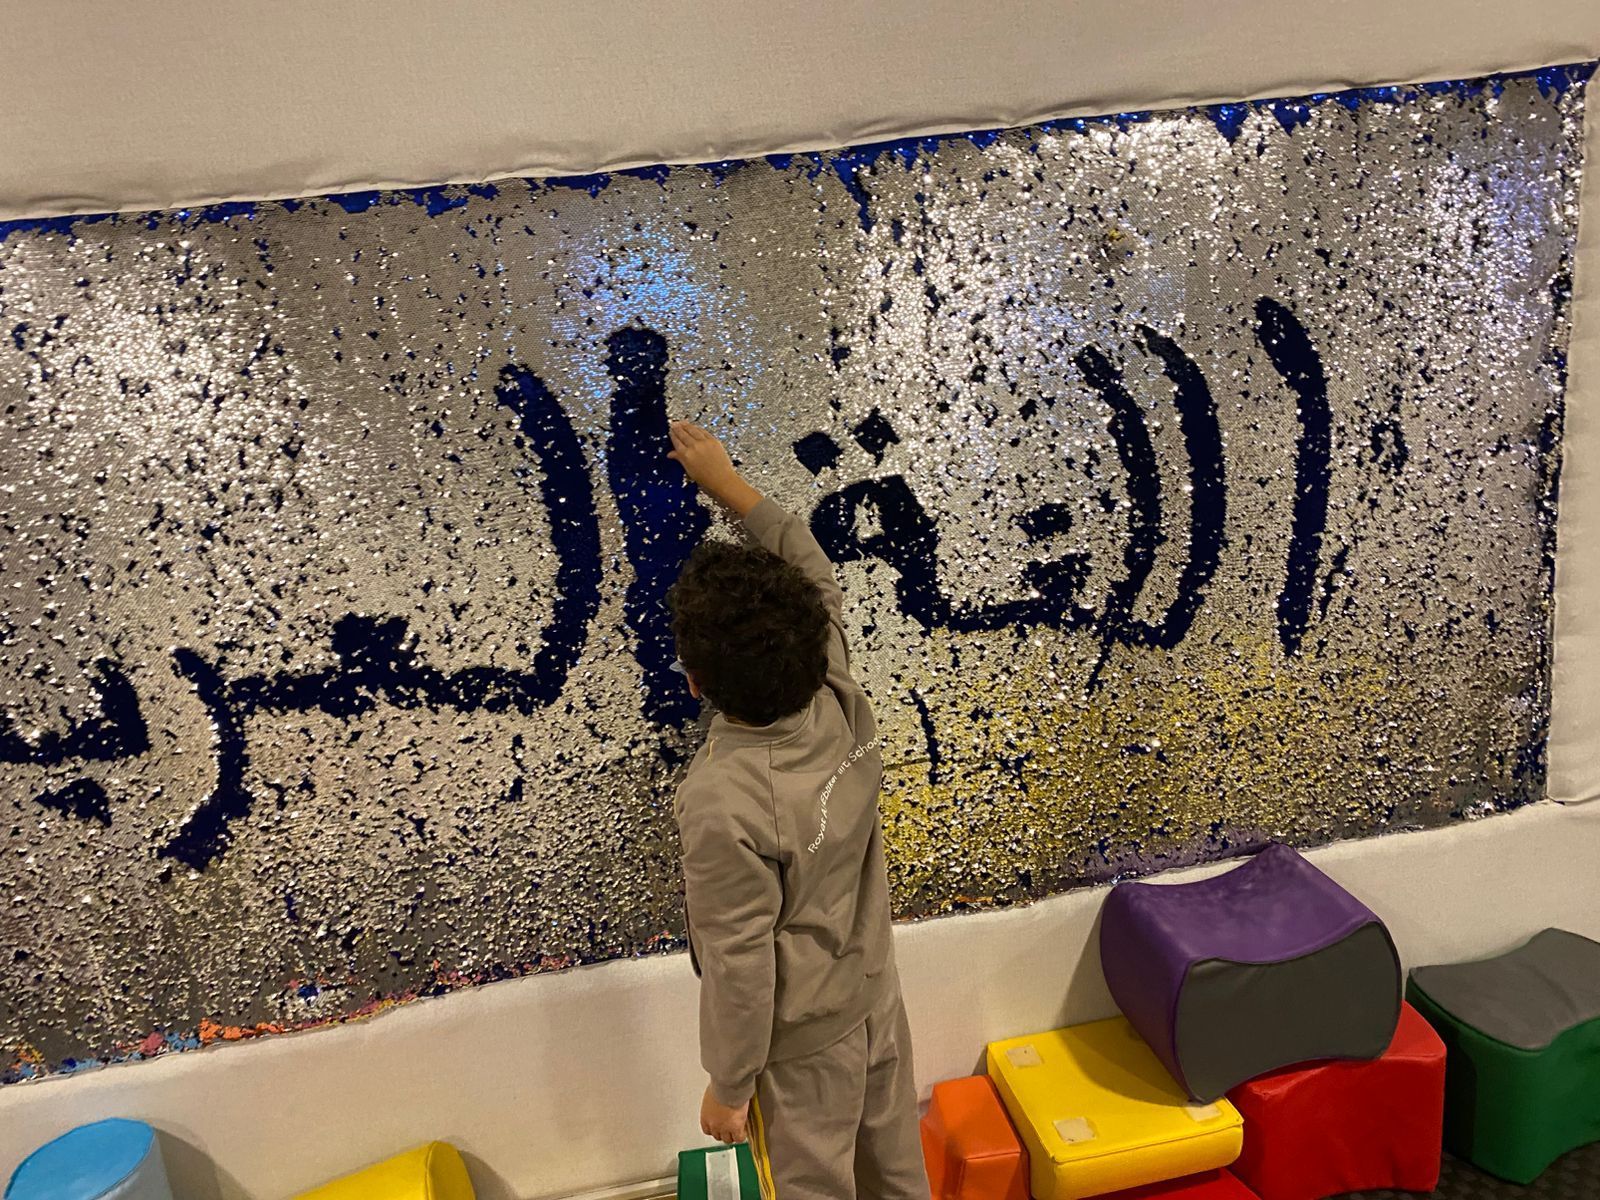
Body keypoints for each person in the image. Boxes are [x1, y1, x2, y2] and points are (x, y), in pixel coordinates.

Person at [666, 420, 930, 1200]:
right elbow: (811, 567)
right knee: (897, 1176)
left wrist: (731, 1082)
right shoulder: (835, 690)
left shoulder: (720, 800)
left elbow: (740, 960)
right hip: (874, 990)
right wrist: (731, 487)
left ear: (694, 683)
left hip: (804, 1044)